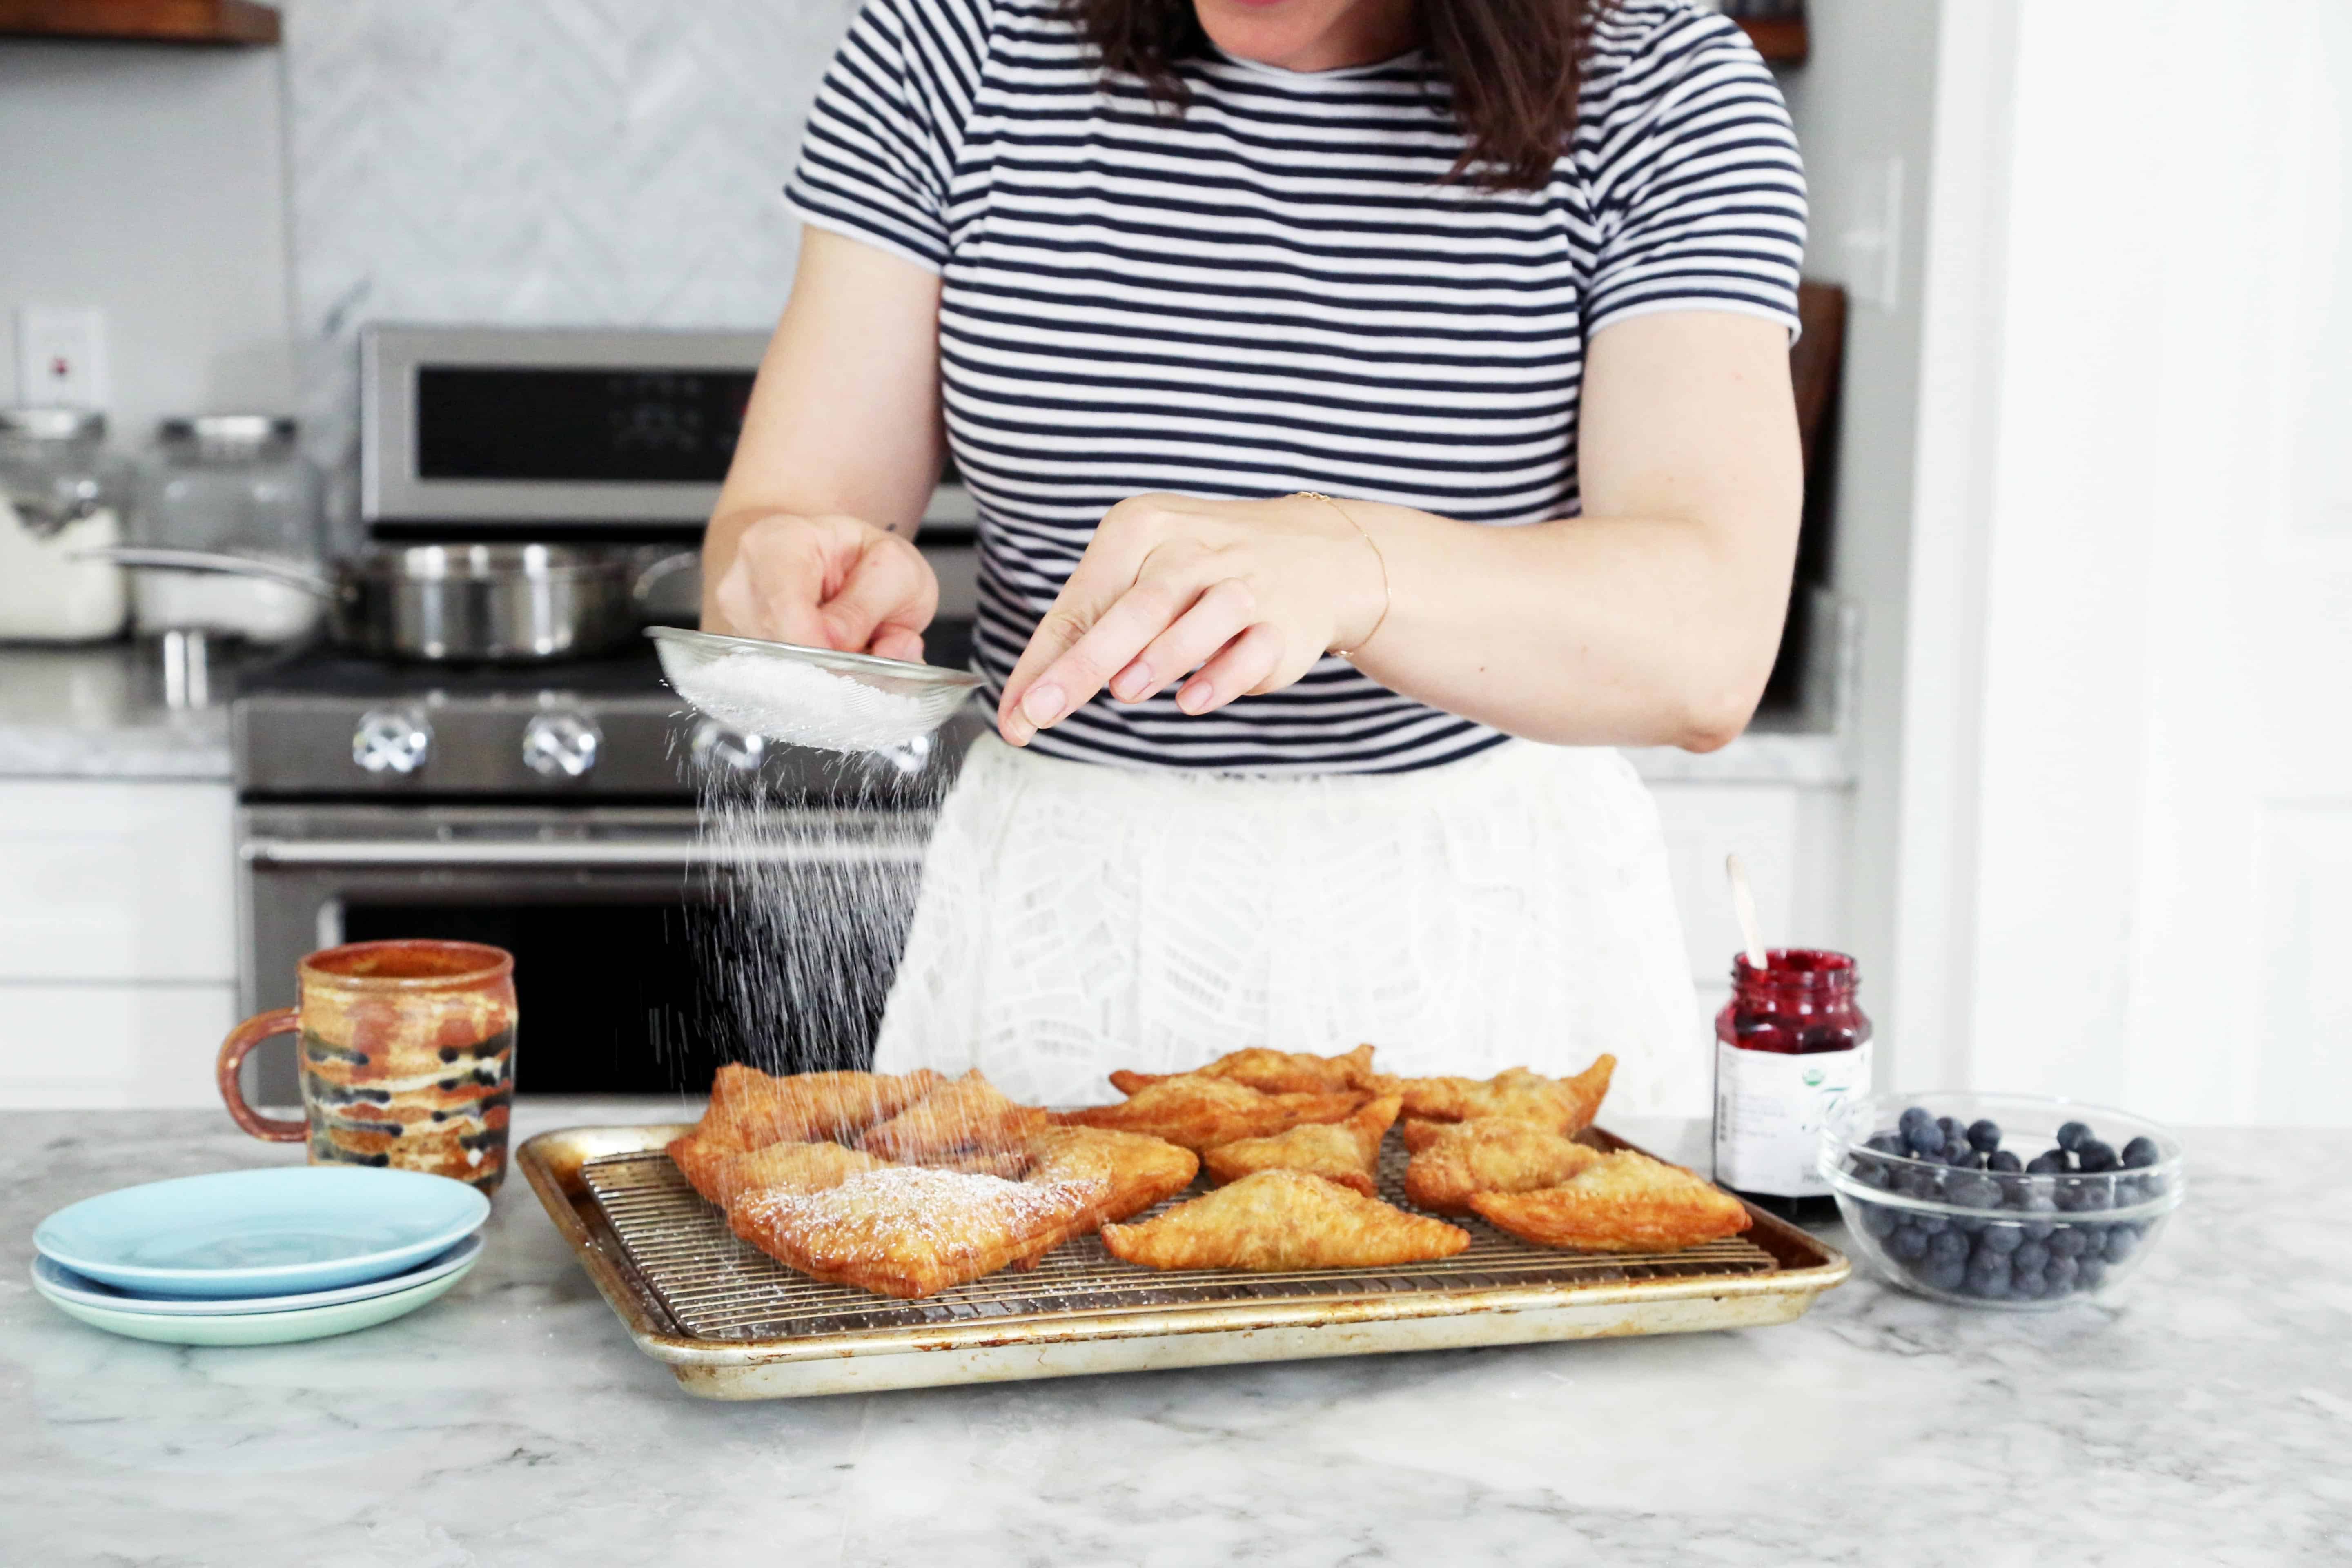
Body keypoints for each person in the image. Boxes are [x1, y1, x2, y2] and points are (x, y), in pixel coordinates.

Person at [700, 0, 1806, 1111]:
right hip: (1059, 930)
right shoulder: (953, 46)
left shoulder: (1661, 83)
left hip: (1484, 944)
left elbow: (1708, 647)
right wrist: (800, 574)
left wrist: (1355, 567)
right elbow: (792, 512)